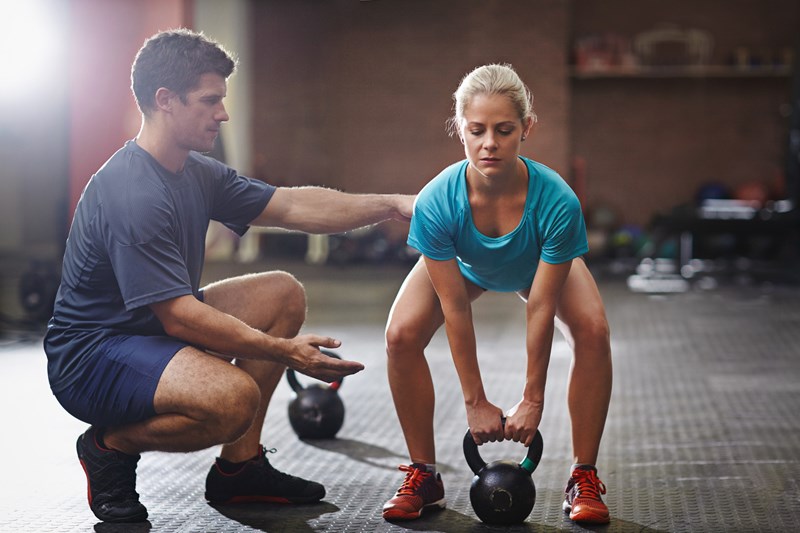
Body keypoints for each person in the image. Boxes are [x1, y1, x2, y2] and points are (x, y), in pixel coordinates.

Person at [43, 28, 413, 524]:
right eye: (211, 100)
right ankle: (109, 446)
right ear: (166, 100)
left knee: (281, 293)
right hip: (93, 356)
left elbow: (294, 204)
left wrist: (392, 205)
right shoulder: (132, 192)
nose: (223, 113)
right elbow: (179, 317)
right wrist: (285, 352)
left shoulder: (196, 172)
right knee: (233, 400)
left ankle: (240, 471)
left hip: (149, 329)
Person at [381, 64, 612, 525]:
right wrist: (475, 402)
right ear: (459, 131)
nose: (490, 143)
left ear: (526, 129)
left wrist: (532, 400)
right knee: (401, 335)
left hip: (536, 267)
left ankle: (583, 476)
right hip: (464, 268)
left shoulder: (557, 202)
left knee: (592, 331)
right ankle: (423, 475)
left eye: (504, 130)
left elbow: (542, 306)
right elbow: (454, 306)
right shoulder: (437, 202)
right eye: (477, 130)